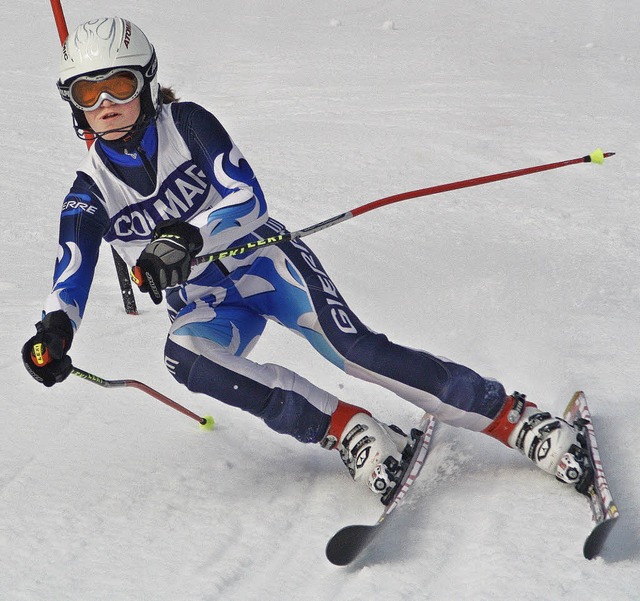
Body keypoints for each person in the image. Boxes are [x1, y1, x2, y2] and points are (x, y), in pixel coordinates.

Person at [22, 17, 590, 498]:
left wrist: (190, 237)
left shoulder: (188, 124)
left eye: (119, 85)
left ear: (146, 84)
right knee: (185, 357)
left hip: (266, 264)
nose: (106, 105)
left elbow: (247, 196)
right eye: (87, 94)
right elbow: (70, 273)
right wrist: (54, 333)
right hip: (206, 302)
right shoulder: (88, 190)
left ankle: (511, 416)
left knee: (355, 351)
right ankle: (347, 429)